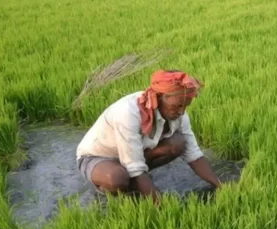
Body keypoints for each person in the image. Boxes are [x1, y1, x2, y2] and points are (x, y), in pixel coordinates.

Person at [76, 69, 222, 205]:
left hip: (133, 153)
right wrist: (162, 206)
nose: (182, 112)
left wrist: (221, 186)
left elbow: (194, 154)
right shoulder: (128, 112)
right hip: (99, 157)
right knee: (117, 179)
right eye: (178, 106)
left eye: (185, 106)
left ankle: (138, 183)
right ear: (161, 97)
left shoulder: (179, 114)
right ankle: (111, 189)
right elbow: (134, 167)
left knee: (178, 143)